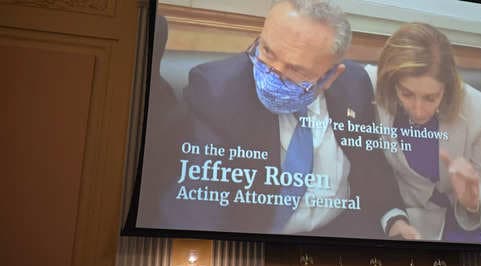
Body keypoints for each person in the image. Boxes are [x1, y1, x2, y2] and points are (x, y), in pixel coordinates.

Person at [168, 0, 418, 240]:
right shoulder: (217, 90)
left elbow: (369, 161)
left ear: (331, 75)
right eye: (267, 51)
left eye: (296, 69)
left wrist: (394, 219)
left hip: (344, 230)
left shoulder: (354, 83)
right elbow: (197, 209)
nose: (273, 74)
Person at [364, 22, 481, 243]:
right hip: (413, 217)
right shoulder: (371, 85)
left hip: (469, 221)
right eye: (407, 94)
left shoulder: (478, 108)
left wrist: (473, 201)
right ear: (392, 84)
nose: (418, 110)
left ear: (447, 89)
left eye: (431, 98)